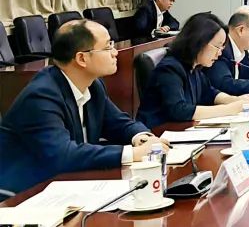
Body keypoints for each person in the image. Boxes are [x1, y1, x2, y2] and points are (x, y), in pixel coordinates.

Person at [0, 20, 168, 197]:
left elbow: (118, 123)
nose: (115, 52)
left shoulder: (93, 85)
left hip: (70, 184)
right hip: (26, 194)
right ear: (81, 58)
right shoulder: (41, 95)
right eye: (108, 47)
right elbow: (63, 155)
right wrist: (132, 153)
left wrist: (143, 138)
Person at [136, 13, 249, 129]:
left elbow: (209, 93)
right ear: (199, 42)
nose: (219, 53)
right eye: (217, 46)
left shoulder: (194, 67)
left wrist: (236, 100)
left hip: (180, 130)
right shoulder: (170, 68)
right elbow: (179, 110)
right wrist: (230, 109)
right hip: (158, 133)